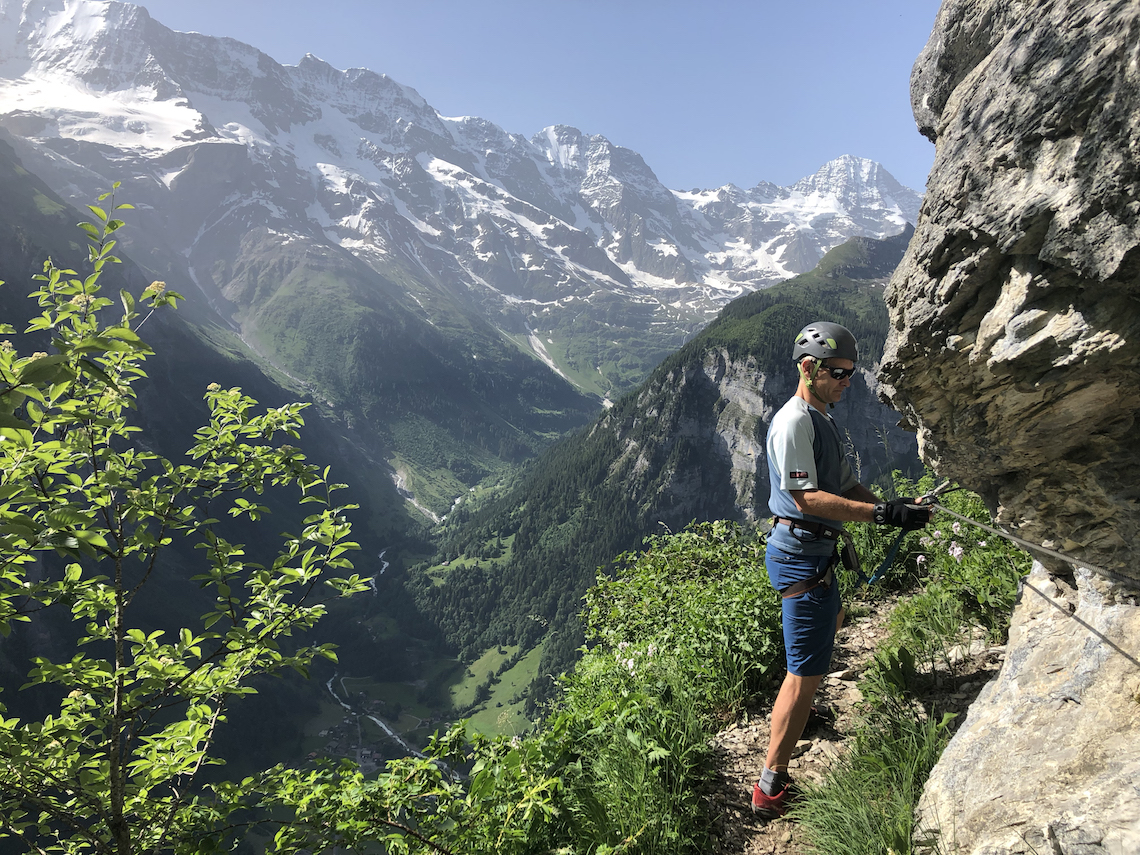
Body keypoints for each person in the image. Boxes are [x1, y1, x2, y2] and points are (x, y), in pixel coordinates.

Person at [751, 320, 930, 819]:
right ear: (808, 368)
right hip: (802, 554)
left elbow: (845, 486)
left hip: (814, 551)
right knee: (803, 673)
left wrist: (893, 508)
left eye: (852, 372)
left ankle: (802, 715)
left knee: (831, 626)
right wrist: (879, 515)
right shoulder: (794, 423)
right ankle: (770, 788)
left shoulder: (821, 415)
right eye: (838, 372)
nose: (847, 381)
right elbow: (806, 498)